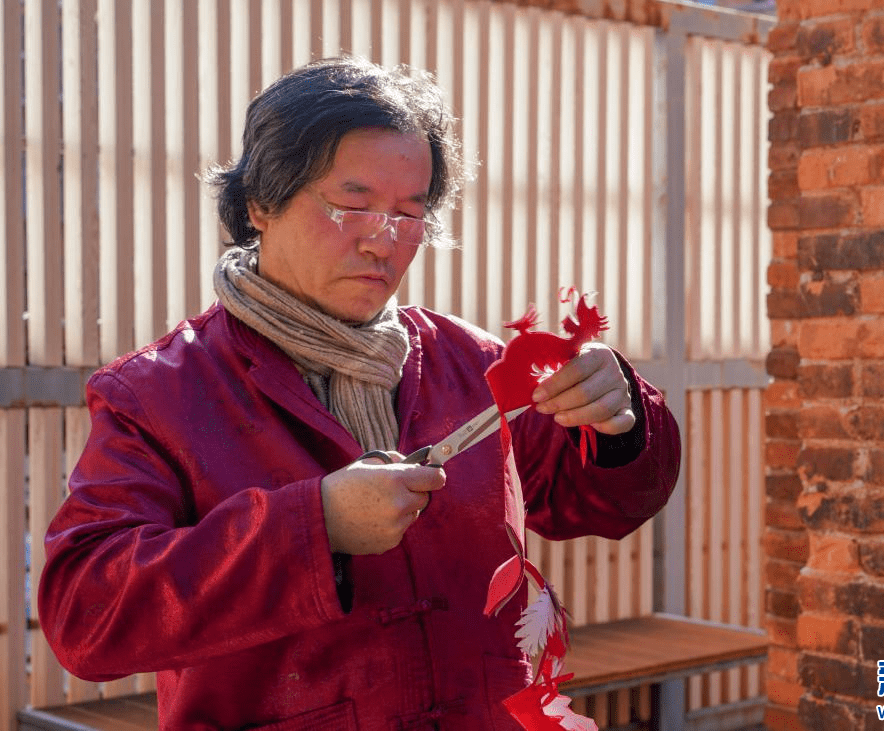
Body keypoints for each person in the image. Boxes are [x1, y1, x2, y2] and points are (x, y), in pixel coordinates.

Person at [39, 55, 681, 730]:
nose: (386, 242)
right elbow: (86, 613)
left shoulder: (471, 363)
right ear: (260, 202)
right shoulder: (160, 392)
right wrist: (314, 529)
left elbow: (598, 503)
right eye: (354, 205)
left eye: (411, 213)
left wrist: (620, 417)